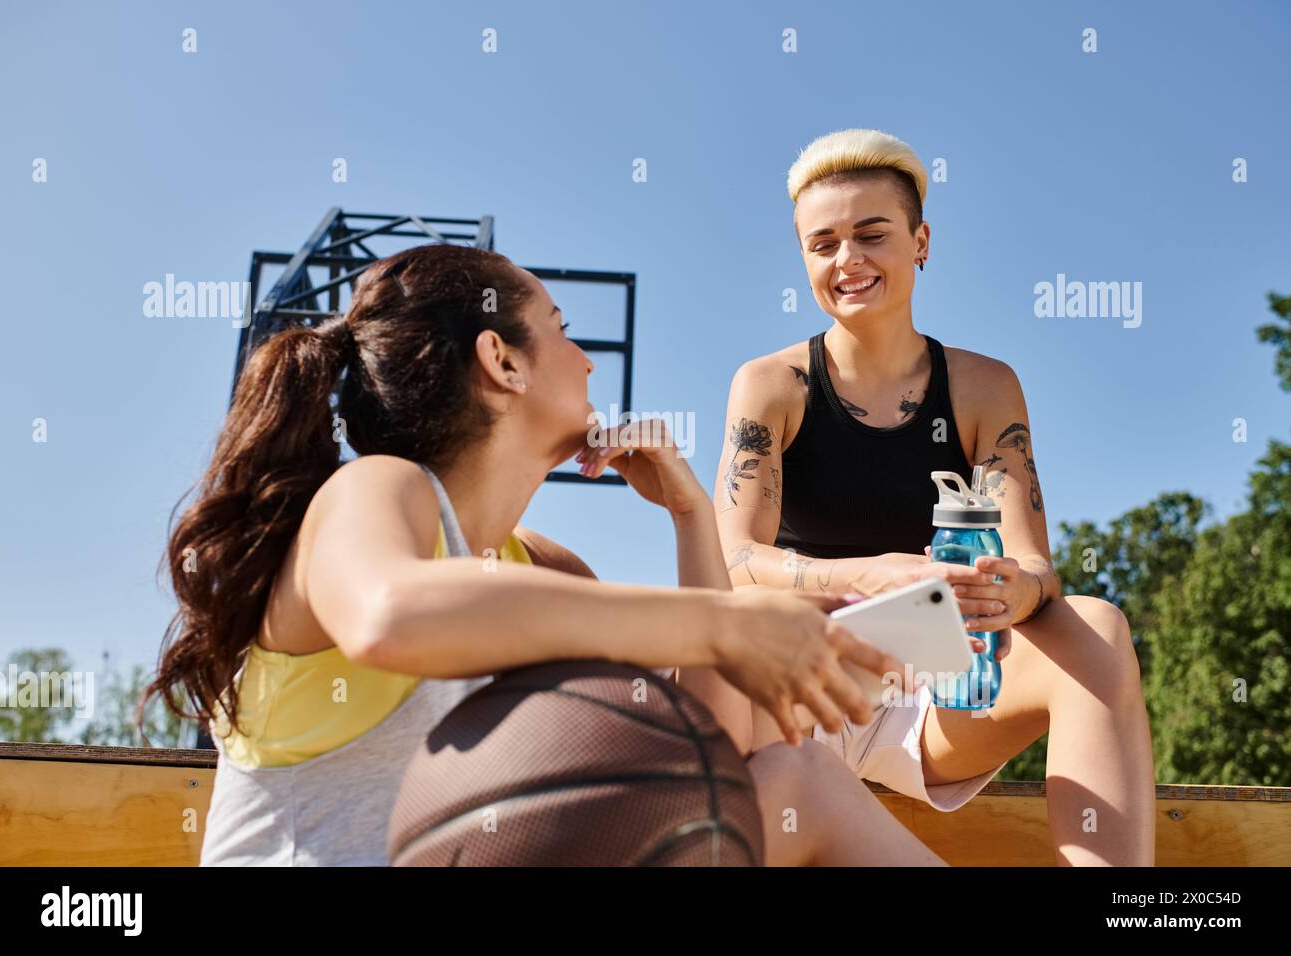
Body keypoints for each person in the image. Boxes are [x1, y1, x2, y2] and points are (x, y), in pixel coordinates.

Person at [146, 241, 943, 866]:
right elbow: (390, 615)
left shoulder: (543, 572)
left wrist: (691, 519)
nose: (589, 359)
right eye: (561, 329)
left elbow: (706, 746)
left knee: (798, 778)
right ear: (502, 360)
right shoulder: (375, 493)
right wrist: (725, 626)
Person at [714, 128, 1156, 866]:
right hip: (800, 695)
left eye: (871, 235)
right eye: (822, 244)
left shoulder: (985, 386)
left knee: (1099, 625)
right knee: (737, 630)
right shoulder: (772, 384)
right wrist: (868, 574)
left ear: (920, 241)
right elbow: (737, 561)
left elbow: (1038, 569)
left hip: (937, 699)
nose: (847, 260)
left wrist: (1013, 591)